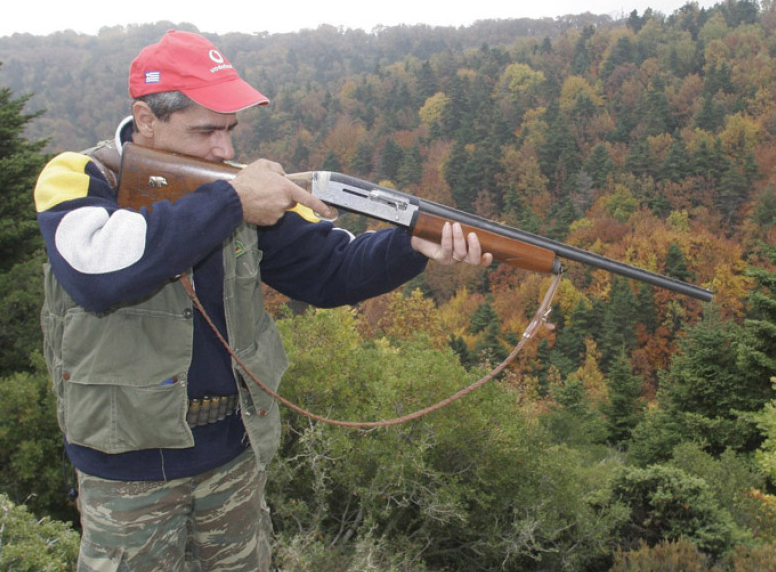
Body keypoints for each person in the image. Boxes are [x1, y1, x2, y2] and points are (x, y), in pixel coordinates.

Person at [34, 29, 490, 571]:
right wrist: (229, 201)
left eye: (229, 130)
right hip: (127, 464)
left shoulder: (234, 189)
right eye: (206, 131)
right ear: (147, 117)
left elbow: (332, 272)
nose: (225, 150)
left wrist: (409, 243)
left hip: (234, 451)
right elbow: (97, 273)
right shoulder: (80, 176)